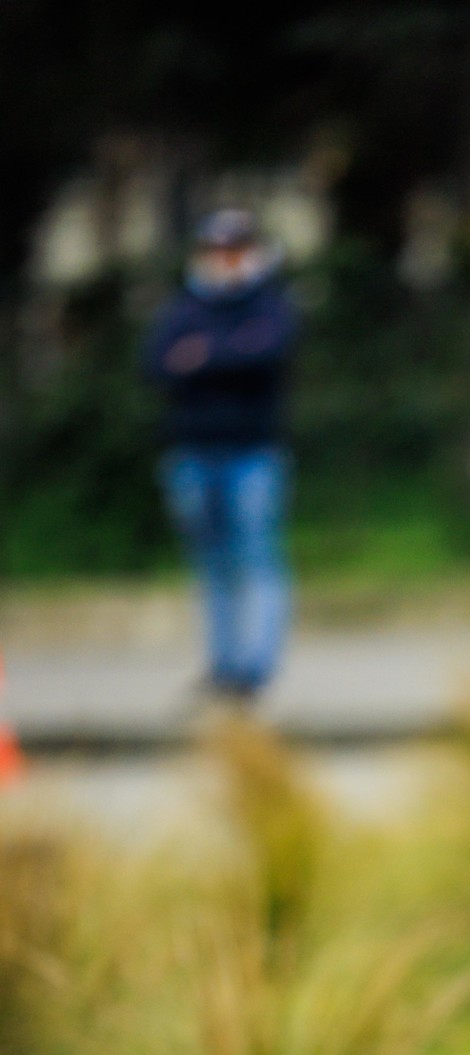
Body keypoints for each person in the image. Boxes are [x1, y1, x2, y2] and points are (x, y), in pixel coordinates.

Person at [144, 207, 298, 700]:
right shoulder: (184, 306)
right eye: (217, 250)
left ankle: (257, 669)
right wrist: (227, 352)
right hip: (192, 451)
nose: (225, 260)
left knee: (256, 558)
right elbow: (155, 365)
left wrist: (203, 356)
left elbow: (268, 355)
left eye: (235, 250)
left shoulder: (271, 304)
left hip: (254, 452)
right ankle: (224, 667)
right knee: (211, 565)